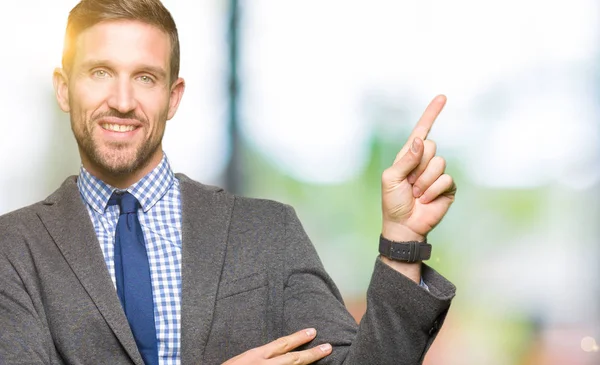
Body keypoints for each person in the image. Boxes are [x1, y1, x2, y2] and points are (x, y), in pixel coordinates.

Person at [0, 0, 457, 364]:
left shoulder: (266, 231)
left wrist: (402, 243)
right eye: (100, 72)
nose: (122, 101)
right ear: (63, 88)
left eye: (145, 77)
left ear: (173, 96)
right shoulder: (13, 249)